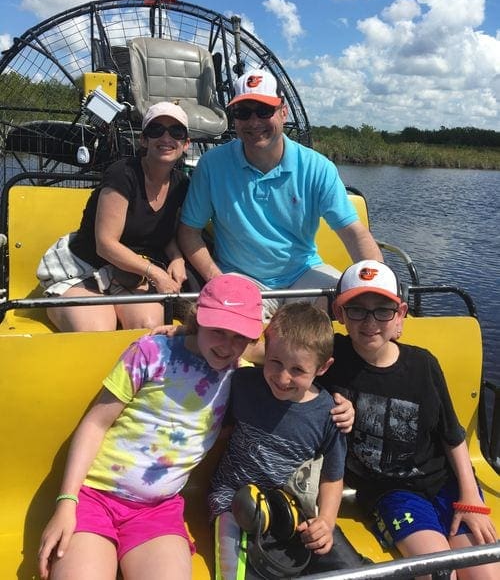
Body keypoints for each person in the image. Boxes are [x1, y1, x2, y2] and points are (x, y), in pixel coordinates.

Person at [37, 274, 264, 580]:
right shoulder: (152, 353)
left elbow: (286, 356)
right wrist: (66, 502)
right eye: (218, 331)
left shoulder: (241, 376)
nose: (227, 346)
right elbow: (95, 424)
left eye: (239, 337)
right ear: (198, 318)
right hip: (94, 497)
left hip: (158, 510)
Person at [316, 260, 499, 580]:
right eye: (357, 310)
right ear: (340, 314)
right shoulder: (331, 356)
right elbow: (279, 350)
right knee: (440, 574)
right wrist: (323, 400)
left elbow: (452, 435)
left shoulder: (422, 365)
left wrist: (469, 496)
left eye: (383, 310)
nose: (370, 321)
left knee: (486, 574)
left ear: (400, 315)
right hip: (392, 492)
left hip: (447, 483)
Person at [178, 69, 382, 320]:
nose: (254, 122)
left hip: (304, 273)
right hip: (241, 278)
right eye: (243, 113)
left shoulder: (317, 167)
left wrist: (378, 286)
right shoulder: (211, 165)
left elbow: (353, 233)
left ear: (283, 112)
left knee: (353, 308)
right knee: (229, 332)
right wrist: (217, 279)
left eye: (264, 111)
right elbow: (189, 232)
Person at [209, 302, 348, 579]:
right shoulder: (242, 383)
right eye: (275, 362)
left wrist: (326, 521)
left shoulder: (329, 414)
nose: (283, 378)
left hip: (290, 507)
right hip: (231, 499)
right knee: (233, 571)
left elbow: (332, 478)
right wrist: (179, 334)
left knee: (346, 567)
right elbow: (209, 350)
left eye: (298, 370)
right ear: (265, 351)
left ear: (322, 367)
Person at [37, 101, 191, 331]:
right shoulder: (122, 174)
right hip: (86, 267)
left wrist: (177, 257)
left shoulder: (181, 184)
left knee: (147, 325)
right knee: (97, 328)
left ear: (186, 144)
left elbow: (164, 231)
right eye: (156, 130)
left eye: (176, 131)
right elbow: (105, 244)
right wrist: (156, 274)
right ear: (144, 140)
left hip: (130, 273)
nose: (166, 137)